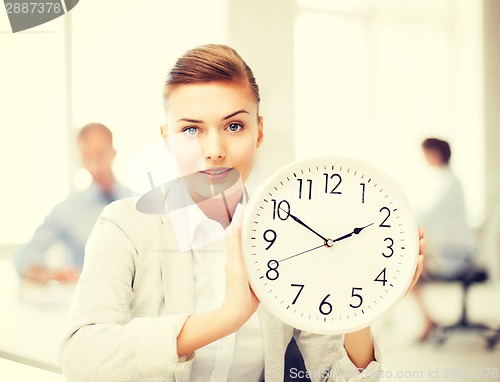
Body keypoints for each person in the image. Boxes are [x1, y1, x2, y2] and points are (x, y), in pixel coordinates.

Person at [58, 44, 425, 381]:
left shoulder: (298, 234)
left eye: (234, 126)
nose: (214, 150)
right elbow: (80, 357)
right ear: (166, 139)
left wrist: (362, 311)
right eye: (191, 130)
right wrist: (227, 317)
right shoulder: (125, 226)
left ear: (259, 132)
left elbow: (336, 376)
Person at [14, 123, 130, 284]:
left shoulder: (136, 204)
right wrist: (43, 274)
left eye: (100, 155)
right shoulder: (67, 210)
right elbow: (26, 254)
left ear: (113, 153)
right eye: (87, 157)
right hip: (85, 300)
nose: (94, 166)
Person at [412, 137, 476, 340]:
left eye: (427, 153)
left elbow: (429, 215)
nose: (425, 158)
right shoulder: (447, 181)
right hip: (453, 250)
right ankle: (428, 319)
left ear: (436, 153)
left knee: (410, 271)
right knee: (412, 269)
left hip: (455, 254)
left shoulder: (450, 184)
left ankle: (428, 320)